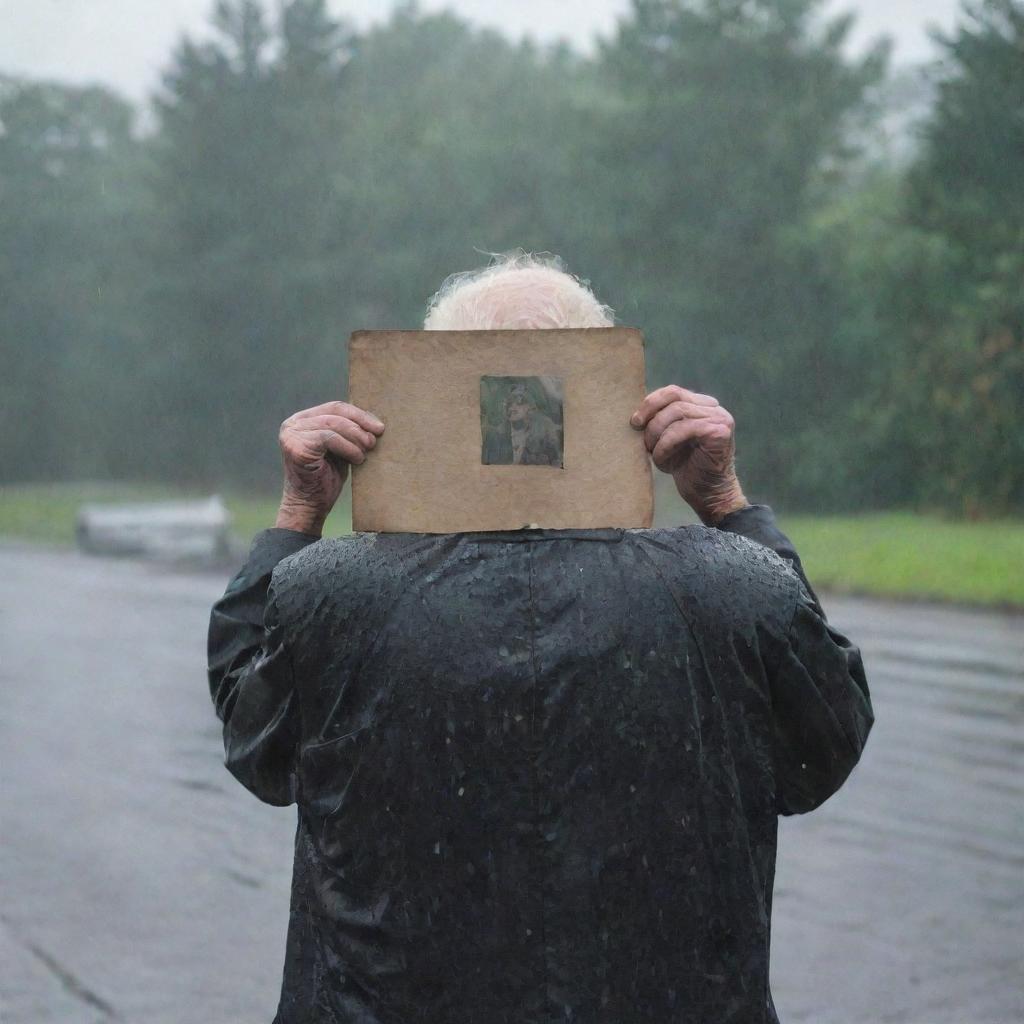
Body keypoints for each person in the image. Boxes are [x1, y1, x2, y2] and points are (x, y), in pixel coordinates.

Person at [207, 252, 873, 1024]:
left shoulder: (332, 592)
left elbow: (255, 750)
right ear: (607, 396)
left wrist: (296, 519)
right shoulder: (732, 584)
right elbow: (821, 749)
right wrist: (728, 505)